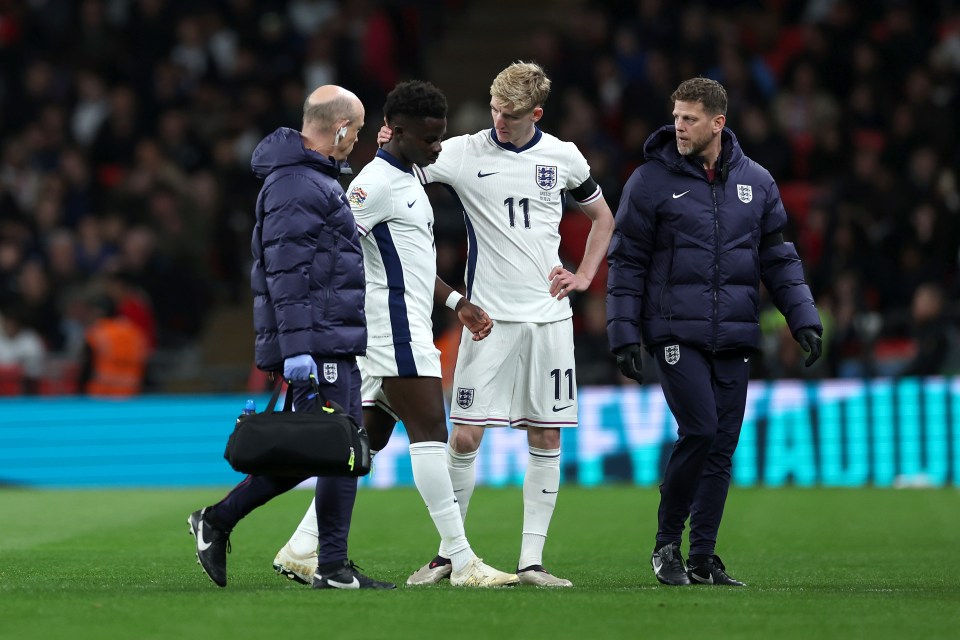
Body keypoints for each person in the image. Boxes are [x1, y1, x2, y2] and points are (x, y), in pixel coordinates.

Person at [272, 80, 519, 588]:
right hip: (392, 332)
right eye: (429, 139)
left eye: (441, 138)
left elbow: (407, 263)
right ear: (397, 133)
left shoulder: (410, 177)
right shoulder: (374, 184)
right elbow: (330, 246)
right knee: (431, 430)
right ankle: (462, 560)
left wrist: (456, 303)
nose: (437, 148)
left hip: (402, 327)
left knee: (365, 440)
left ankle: (301, 546)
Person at [382, 61, 615, 587]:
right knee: (464, 437)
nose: (500, 122)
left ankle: (531, 562)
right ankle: (450, 555)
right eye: (494, 111)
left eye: (510, 115)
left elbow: (604, 218)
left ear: (535, 112)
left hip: (550, 321)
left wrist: (583, 275)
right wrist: (388, 141)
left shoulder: (563, 156)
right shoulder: (463, 152)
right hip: (487, 320)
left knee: (547, 436)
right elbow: (401, 166)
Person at [606, 77, 823, 587]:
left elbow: (778, 259)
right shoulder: (650, 181)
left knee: (721, 445)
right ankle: (666, 545)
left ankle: (702, 556)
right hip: (676, 333)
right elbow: (626, 261)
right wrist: (623, 334)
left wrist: (803, 319)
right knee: (700, 430)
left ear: (718, 123)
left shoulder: (758, 182)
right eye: (676, 116)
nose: (678, 126)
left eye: (690, 119)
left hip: (736, 333)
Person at [187, 84, 395, 590]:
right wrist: (299, 347)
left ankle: (224, 523)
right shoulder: (299, 185)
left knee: (328, 449)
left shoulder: (308, 179)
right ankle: (330, 565)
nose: (357, 140)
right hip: (318, 340)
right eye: (358, 130)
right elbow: (286, 271)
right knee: (341, 448)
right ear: (341, 127)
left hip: (328, 336)